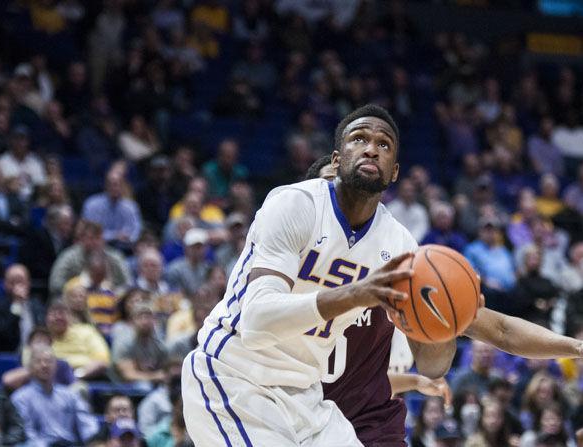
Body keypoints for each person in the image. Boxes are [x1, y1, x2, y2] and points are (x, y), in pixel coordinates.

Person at [181, 105, 454, 446]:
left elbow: (432, 364)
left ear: (394, 171)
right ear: (337, 160)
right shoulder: (293, 205)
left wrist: (447, 322)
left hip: (307, 395)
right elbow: (257, 320)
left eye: (384, 145)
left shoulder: (400, 244)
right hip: (236, 376)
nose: (372, 148)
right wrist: (356, 294)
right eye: (360, 139)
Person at [306, 142, 583, 446]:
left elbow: (501, 330)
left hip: (368, 427)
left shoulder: (395, 264)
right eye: (332, 189)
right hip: (299, 420)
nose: (344, 199)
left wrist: (576, 347)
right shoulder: (286, 272)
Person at [11, 344, 99, 445]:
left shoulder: (70, 395)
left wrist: (95, 441)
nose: (44, 365)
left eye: (49, 361)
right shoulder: (20, 398)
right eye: (38, 361)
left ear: (56, 366)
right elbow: (27, 433)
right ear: (30, 367)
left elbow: (87, 424)